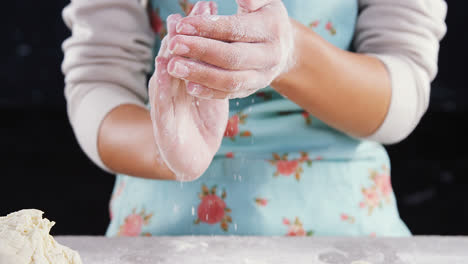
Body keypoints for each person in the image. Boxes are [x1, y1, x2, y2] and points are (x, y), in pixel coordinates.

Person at [61, 0, 447, 236]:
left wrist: (292, 55)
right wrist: (167, 146)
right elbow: (99, 79)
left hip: (345, 229)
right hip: (160, 230)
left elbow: (402, 94)